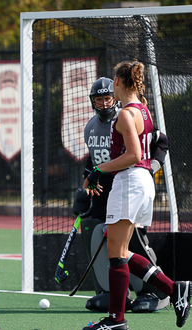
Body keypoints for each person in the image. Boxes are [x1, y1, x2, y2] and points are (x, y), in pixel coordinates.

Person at [82, 61, 191, 330]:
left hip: (130, 181)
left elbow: (133, 155)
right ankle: (174, 289)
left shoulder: (126, 114)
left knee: (116, 254)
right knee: (118, 247)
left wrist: (98, 169)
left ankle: (116, 320)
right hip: (141, 183)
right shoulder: (144, 109)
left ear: (118, 82)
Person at [78, 77, 169, 314]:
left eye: (108, 97)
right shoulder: (90, 127)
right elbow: (93, 160)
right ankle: (112, 294)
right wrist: (85, 187)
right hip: (104, 185)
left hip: (127, 181)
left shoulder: (127, 116)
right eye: (99, 99)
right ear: (92, 101)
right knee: (98, 234)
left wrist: (152, 167)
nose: (105, 103)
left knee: (132, 240)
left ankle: (153, 291)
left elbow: (159, 143)